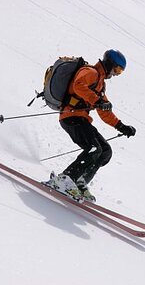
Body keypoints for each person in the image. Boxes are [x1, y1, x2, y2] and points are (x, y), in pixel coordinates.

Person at [49, 49, 136, 203]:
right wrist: (97, 101)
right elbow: (78, 85)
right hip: (71, 117)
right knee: (93, 148)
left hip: (82, 120)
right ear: (110, 64)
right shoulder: (90, 72)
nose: (116, 74)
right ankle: (65, 179)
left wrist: (120, 126)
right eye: (117, 69)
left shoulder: (100, 84)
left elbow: (104, 111)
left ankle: (79, 181)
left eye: (120, 72)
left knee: (105, 151)